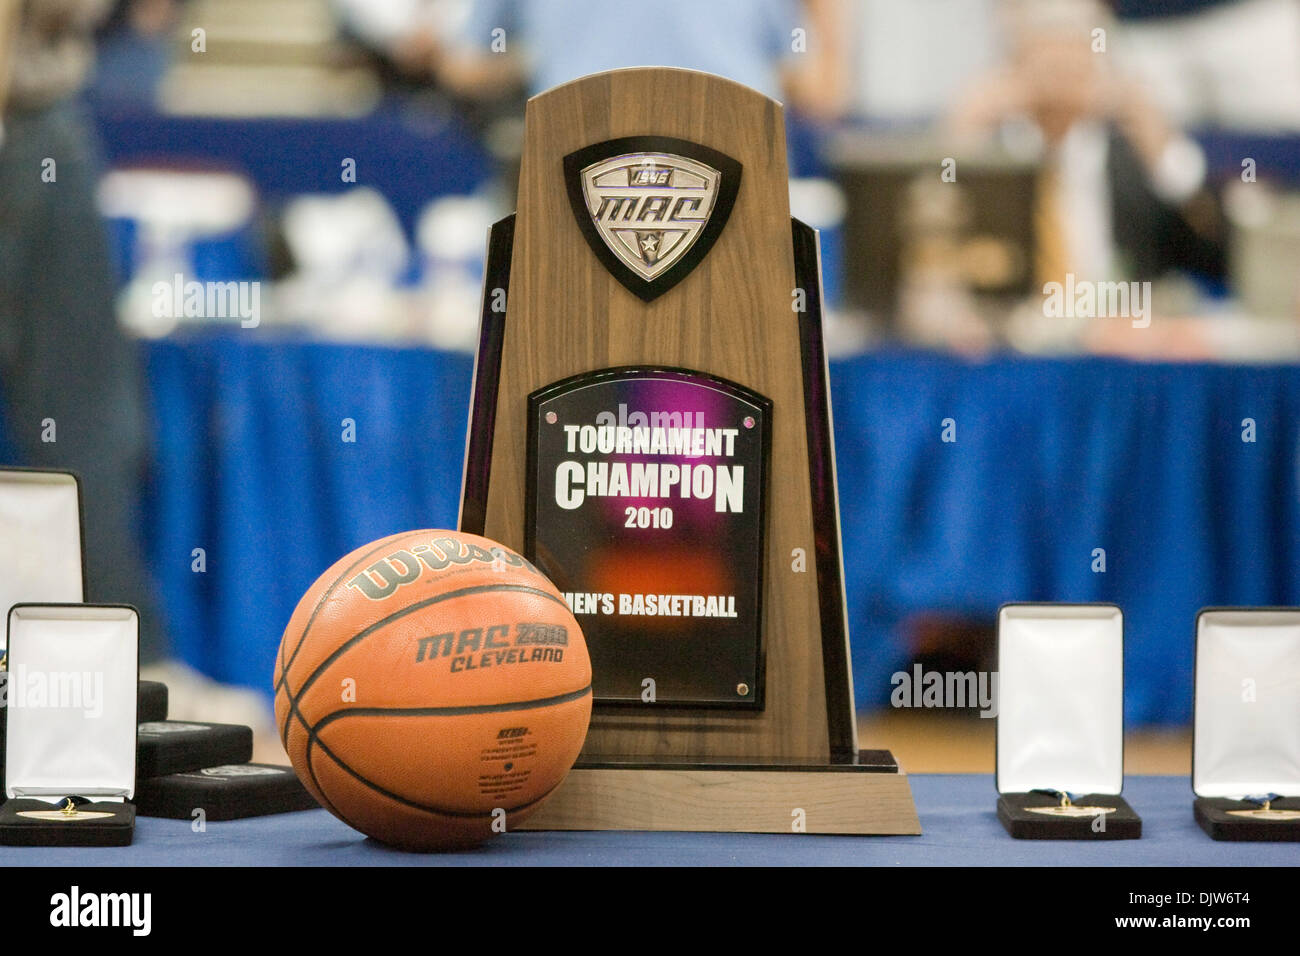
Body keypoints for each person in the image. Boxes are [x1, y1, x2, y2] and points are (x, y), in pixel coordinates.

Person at [0, 0, 167, 663]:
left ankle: (120, 668)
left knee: (85, 429)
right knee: (86, 423)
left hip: (33, 119)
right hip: (30, 129)